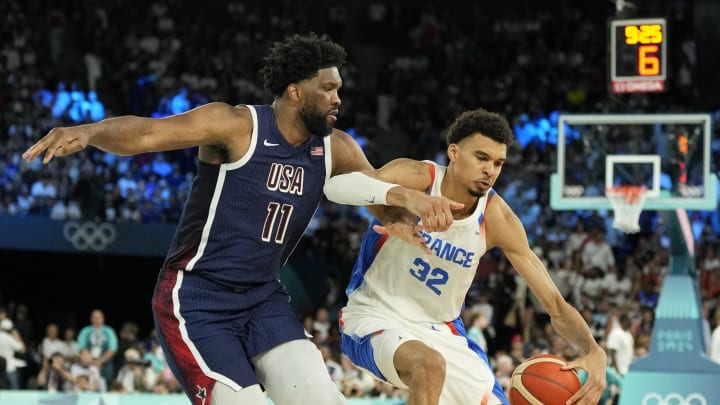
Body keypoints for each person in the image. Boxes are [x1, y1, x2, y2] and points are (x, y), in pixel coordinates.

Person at [22, 32, 456, 405]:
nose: (338, 98)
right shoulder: (235, 126)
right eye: (328, 88)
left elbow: (378, 197)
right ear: (295, 91)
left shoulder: (337, 148)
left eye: (339, 89)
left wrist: (402, 216)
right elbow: (149, 133)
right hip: (196, 299)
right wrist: (90, 133)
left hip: (263, 299)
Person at [323, 108, 607, 405]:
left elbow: (555, 306)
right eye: (481, 158)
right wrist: (405, 198)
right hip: (374, 314)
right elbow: (336, 187)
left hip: (442, 331)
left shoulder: (498, 219)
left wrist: (593, 350)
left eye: (498, 163)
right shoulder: (420, 177)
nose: (490, 170)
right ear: (454, 152)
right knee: (428, 365)